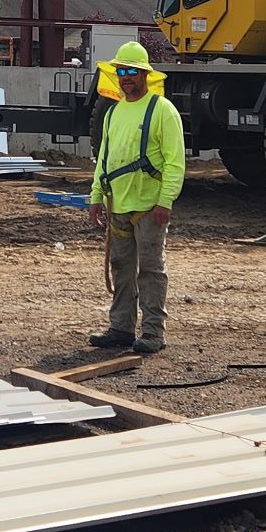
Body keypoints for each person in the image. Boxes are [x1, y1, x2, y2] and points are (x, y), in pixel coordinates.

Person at [86, 40, 185, 354]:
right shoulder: (114, 112)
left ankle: (153, 332)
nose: (125, 76)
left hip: (148, 208)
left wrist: (165, 201)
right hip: (119, 205)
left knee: (151, 270)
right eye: (121, 71)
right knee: (121, 266)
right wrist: (96, 196)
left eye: (132, 71)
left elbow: (174, 161)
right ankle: (121, 328)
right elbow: (104, 156)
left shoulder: (162, 110)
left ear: (144, 74)